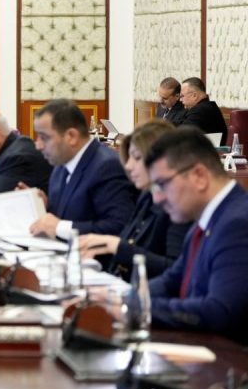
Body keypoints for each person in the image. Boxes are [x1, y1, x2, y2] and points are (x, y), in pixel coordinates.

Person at [144, 128, 248, 341]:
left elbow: (219, 312)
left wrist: (142, 307)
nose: (157, 198)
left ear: (199, 176)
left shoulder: (237, 224)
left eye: (162, 184)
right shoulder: (205, 220)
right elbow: (172, 280)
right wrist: (123, 297)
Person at [77, 120, 191, 279]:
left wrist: (115, 246)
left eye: (137, 158)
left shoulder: (180, 205)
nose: (128, 166)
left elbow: (176, 271)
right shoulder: (146, 196)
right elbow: (129, 244)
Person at [29, 99, 137, 239]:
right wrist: (43, 207)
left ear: (71, 136)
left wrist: (59, 227)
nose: (38, 145)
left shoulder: (107, 167)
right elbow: (68, 215)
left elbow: (119, 227)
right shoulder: (60, 165)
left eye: (44, 138)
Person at [179, 77, 228, 145]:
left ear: (194, 96)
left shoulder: (200, 110)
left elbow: (181, 134)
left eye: (182, 96)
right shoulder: (208, 106)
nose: (180, 100)